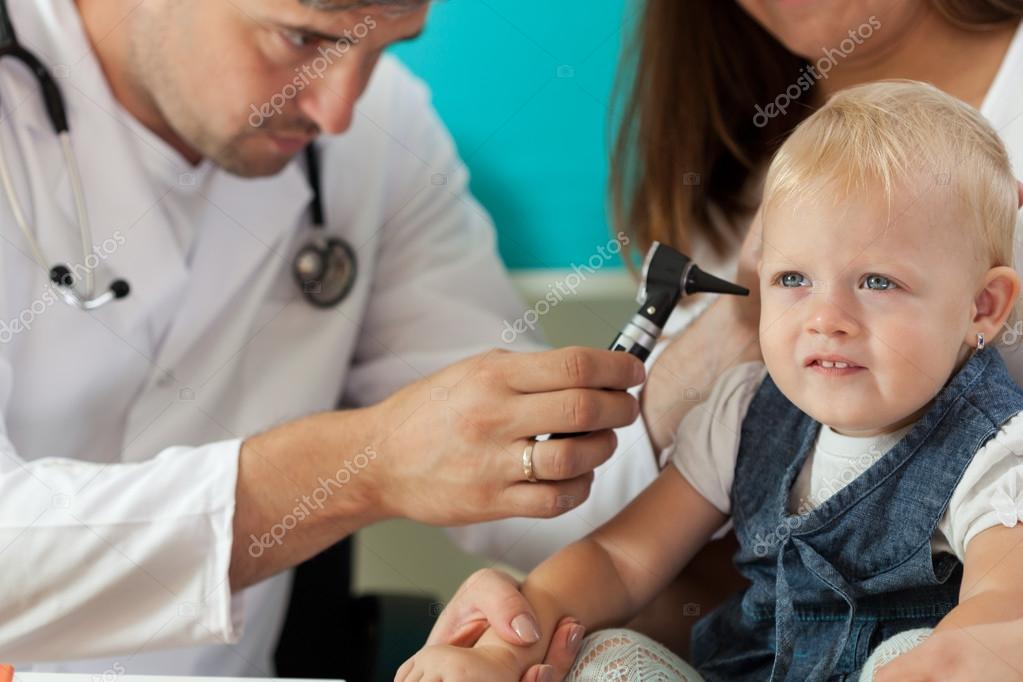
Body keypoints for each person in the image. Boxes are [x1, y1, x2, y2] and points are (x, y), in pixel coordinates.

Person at [0, 0, 655, 677]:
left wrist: (719, 355)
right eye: (301, 37)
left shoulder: (380, 134)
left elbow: (546, 477)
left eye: (381, 48)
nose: (336, 111)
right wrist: (362, 465)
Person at [431, 2, 1023, 675]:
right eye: (792, 278)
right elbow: (618, 558)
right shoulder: (742, 414)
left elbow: (1003, 602)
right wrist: (511, 635)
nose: (825, 317)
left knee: (919, 650)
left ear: (983, 306)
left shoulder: (993, 448)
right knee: (604, 654)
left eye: (879, 283)